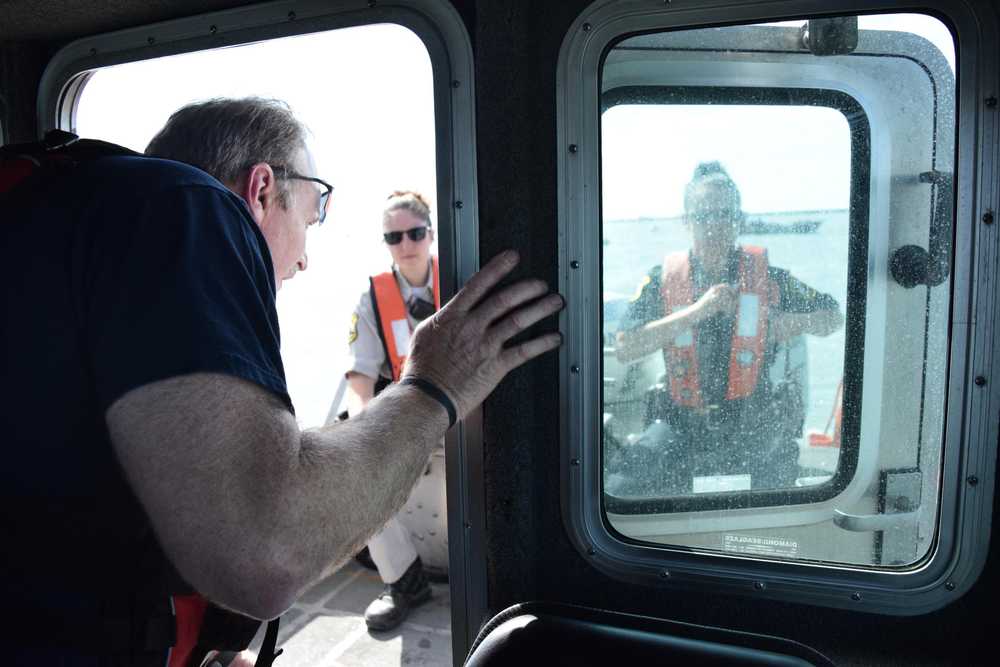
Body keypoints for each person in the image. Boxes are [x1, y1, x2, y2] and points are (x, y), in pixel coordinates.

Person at [1, 98, 563, 666]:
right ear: (263, 190)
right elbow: (266, 554)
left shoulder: (79, 228)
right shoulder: (190, 209)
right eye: (311, 215)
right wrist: (435, 386)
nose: (304, 260)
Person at [607, 162, 843, 497]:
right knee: (620, 489)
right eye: (704, 216)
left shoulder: (769, 278)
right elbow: (626, 348)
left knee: (779, 497)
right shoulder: (661, 281)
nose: (715, 225)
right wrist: (697, 311)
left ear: (740, 220)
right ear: (686, 221)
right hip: (679, 423)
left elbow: (834, 316)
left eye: (725, 214)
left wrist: (792, 322)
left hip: (752, 422)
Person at [344, 190, 442, 631]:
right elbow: (360, 380)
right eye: (394, 236)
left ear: (431, 234)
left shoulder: (459, 275)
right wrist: (364, 426)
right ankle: (405, 580)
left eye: (415, 233)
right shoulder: (372, 298)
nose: (406, 244)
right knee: (354, 461)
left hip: (467, 408)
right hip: (405, 413)